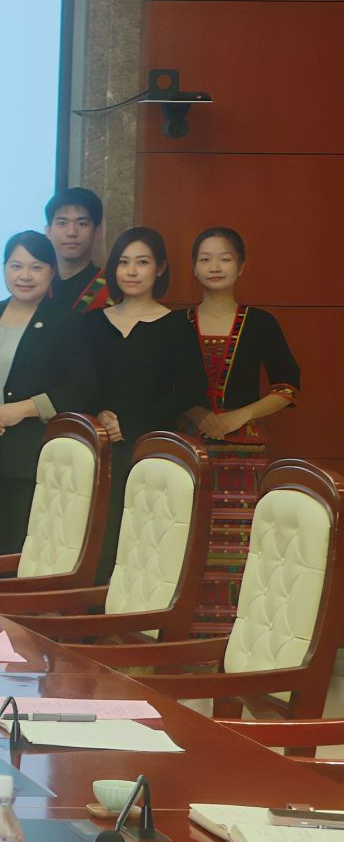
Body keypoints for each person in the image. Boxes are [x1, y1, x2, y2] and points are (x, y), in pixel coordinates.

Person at [184, 226, 303, 635]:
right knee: (187, 542)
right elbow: (162, 385)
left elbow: (288, 387)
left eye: (225, 258)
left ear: (241, 266)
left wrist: (240, 416)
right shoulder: (176, 323)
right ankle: (182, 640)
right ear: (193, 267)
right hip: (187, 451)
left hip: (244, 453)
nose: (214, 266)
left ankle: (234, 642)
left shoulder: (261, 323)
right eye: (205, 259)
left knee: (240, 548)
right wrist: (199, 415)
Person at [84, 226, 207, 584]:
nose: (132, 271)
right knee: (96, 543)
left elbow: (190, 390)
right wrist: (100, 415)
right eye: (123, 262)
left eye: (142, 262)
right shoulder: (91, 324)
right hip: (98, 449)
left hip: (151, 450)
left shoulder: (176, 326)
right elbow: (78, 383)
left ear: (161, 268)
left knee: (144, 545)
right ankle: (89, 615)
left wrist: (132, 423)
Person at [0, 231, 93, 555]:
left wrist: (26, 408)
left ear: (52, 271)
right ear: (4, 268)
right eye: (16, 265)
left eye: (36, 267)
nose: (25, 275)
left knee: (29, 551)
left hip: (37, 453)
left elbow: (84, 387)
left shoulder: (67, 322)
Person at [45, 187, 110, 314]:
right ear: (48, 232)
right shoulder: (38, 285)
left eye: (82, 224)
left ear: (98, 232)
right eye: (62, 223)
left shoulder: (112, 290)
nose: (71, 232)